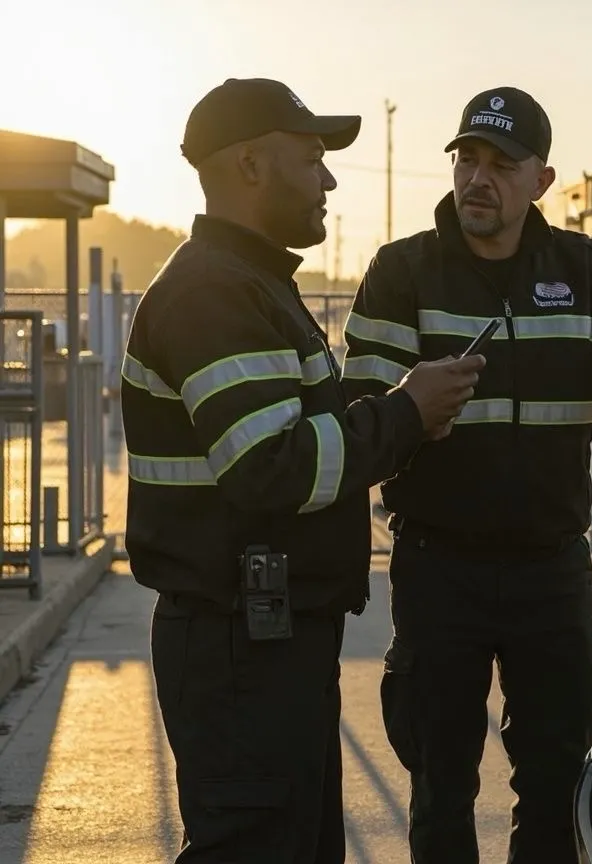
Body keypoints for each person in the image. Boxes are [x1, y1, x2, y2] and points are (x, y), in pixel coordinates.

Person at [120, 77, 485, 863]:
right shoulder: (213, 294)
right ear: (250, 166)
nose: (327, 181)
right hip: (238, 649)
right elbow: (273, 469)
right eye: (312, 159)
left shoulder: (249, 284)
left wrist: (402, 413)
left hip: (266, 640)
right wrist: (407, 411)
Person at [341, 86, 592, 863]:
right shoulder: (402, 272)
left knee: (557, 776)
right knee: (439, 779)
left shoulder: (585, 267)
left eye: (503, 164)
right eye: (468, 158)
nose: (478, 177)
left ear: (542, 180)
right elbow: (359, 408)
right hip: (439, 568)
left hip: (550, 570)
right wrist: (409, 407)